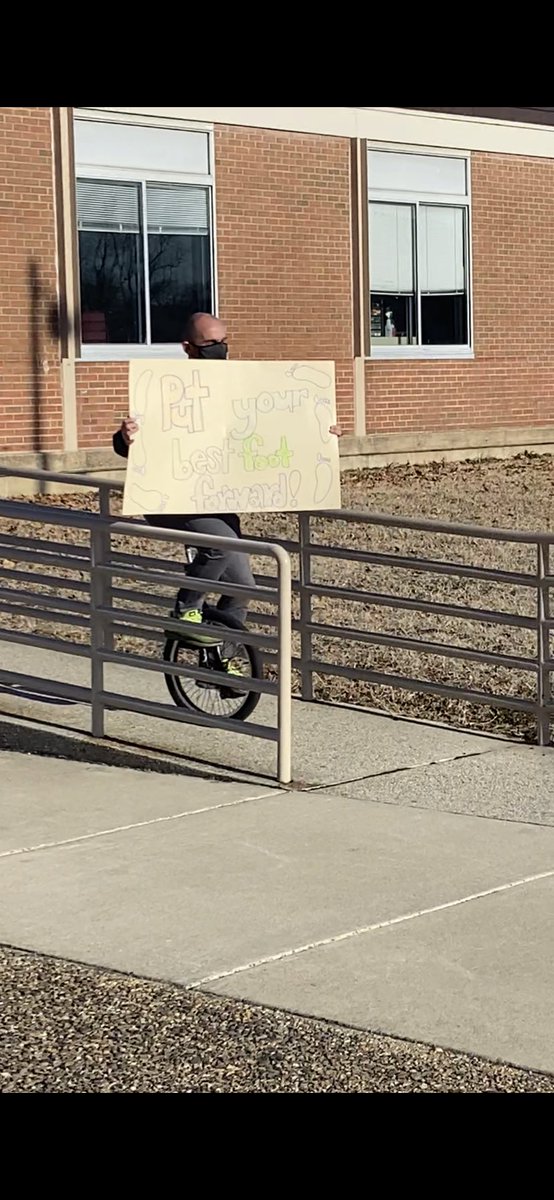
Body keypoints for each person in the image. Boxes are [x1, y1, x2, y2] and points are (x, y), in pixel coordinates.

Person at [113, 312, 341, 647]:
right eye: (210, 344)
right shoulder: (165, 384)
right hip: (176, 497)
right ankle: (184, 612)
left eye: (223, 342)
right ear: (188, 347)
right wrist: (127, 437)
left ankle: (225, 661)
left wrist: (321, 433)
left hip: (217, 497)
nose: (219, 349)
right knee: (218, 546)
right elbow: (131, 443)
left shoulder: (238, 385)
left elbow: (276, 424)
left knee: (243, 586)